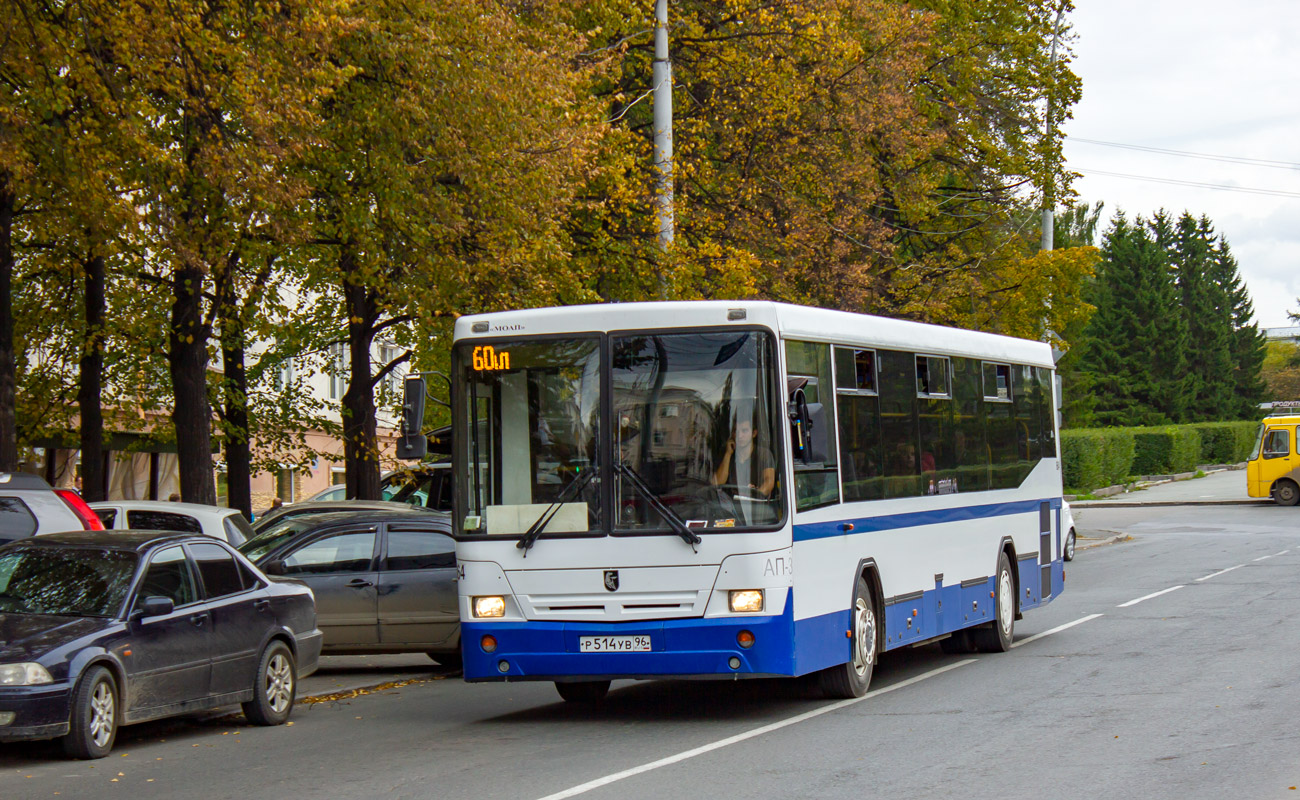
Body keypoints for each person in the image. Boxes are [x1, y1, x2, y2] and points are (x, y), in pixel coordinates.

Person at [712, 417, 776, 499]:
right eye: (736, 431)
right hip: (729, 507)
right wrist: (728, 454)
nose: (739, 435)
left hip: (755, 507)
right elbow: (716, 483)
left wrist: (755, 495)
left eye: (744, 431)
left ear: (754, 433)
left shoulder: (763, 454)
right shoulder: (725, 453)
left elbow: (769, 482)